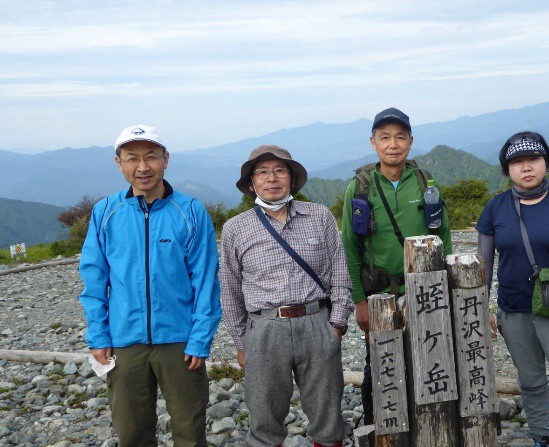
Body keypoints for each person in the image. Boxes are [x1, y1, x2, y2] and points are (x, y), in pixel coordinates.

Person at [79, 124, 221, 446]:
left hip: (180, 342)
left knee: (189, 428)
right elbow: (94, 280)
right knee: (131, 432)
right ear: (119, 162)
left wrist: (200, 338)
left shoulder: (190, 211)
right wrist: (98, 335)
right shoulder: (105, 212)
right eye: (132, 158)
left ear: (165, 159)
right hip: (124, 340)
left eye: (151, 157)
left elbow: (205, 280)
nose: (142, 167)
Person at [220, 145, 354, 447]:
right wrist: (242, 343)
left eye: (280, 170)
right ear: (252, 182)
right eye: (263, 172)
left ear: (292, 179)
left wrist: (336, 326)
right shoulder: (235, 228)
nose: (272, 178)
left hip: (317, 322)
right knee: (265, 418)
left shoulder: (319, 216)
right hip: (263, 330)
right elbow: (229, 291)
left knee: (328, 415)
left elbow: (341, 274)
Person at [476, 131, 549, 447]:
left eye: (533, 159)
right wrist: (482, 307)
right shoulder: (496, 208)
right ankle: (543, 437)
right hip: (513, 309)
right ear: (507, 169)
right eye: (516, 162)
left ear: (547, 163)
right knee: (530, 382)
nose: (526, 167)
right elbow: (483, 266)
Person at [340, 107, 453, 424]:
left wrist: (449, 287)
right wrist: (360, 301)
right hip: (380, 297)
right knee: (380, 365)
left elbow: (442, 235)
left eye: (400, 137)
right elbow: (350, 246)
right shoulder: (359, 188)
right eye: (385, 137)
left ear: (411, 141)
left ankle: (424, 427)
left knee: (427, 358)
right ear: (373, 142)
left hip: (425, 288)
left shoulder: (424, 181)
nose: (393, 144)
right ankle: (379, 429)